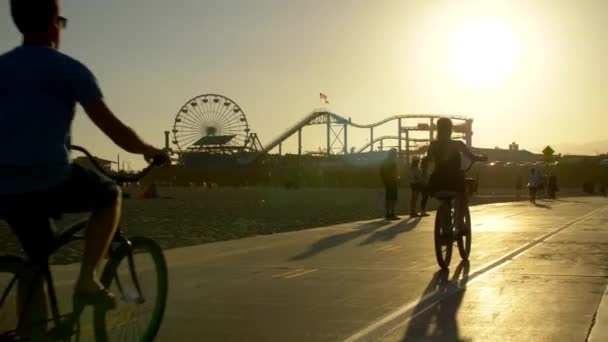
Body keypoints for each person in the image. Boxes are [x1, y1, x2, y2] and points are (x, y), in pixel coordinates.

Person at [0, 0, 171, 323]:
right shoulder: (69, 69)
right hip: (48, 177)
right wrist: (150, 150)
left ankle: (30, 330)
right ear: (53, 23)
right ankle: (87, 280)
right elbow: (113, 129)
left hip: (3, 185)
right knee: (109, 195)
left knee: (36, 260)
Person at [424, 118, 487, 232]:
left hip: (437, 181)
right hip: (454, 179)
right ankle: (459, 223)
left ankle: (444, 223)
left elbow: (427, 160)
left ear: (438, 129)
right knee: (462, 195)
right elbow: (472, 157)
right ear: (450, 130)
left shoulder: (433, 144)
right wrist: (482, 158)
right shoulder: (457, 144)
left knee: (443, 199)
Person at [381, 148, 400, 220]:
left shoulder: (386, 161)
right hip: (392, 181)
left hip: (388, 182)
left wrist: (384, 181)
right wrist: (396, 178)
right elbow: (394, 172)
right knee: (393, 198)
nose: (396, 154)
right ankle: (392, 213)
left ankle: (388, 213)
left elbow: (382, 172)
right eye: (396, 153)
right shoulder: (392, 162)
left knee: (388, 198)